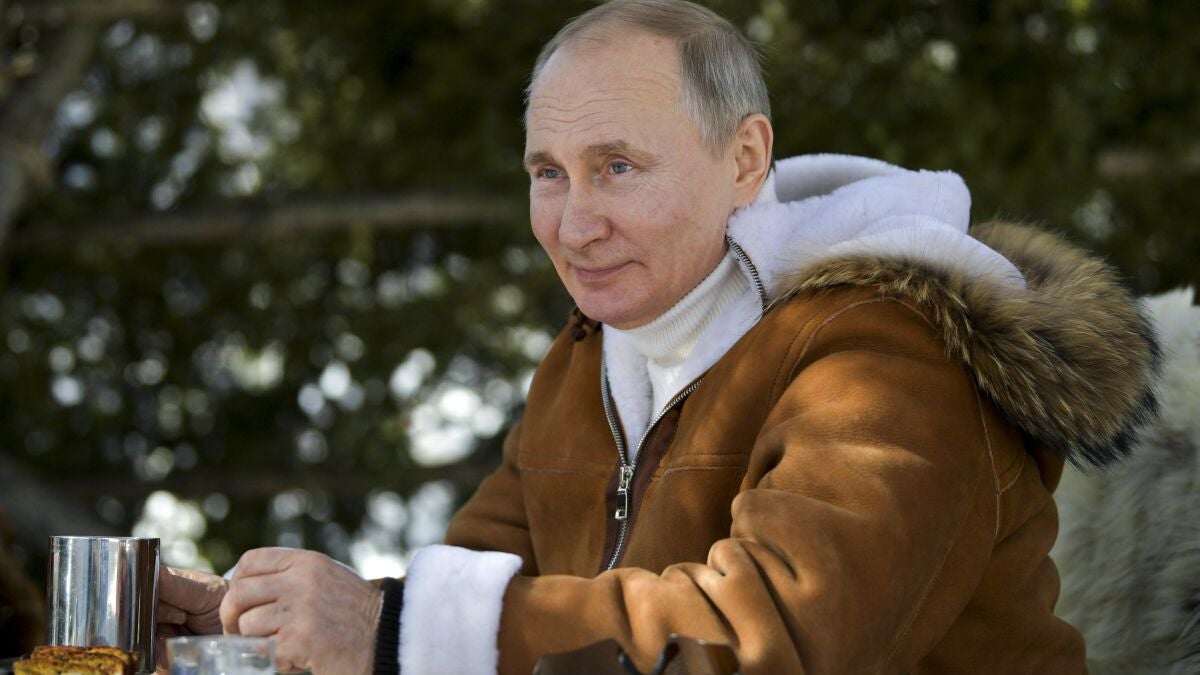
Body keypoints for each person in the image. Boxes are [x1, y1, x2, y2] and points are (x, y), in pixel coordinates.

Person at [158, 1, 1161, 673]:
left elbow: (771, 641)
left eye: (617, 167)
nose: (573, 223)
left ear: (745, 159)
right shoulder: (585, 363)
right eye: (548, 173)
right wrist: (260, 629)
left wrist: (384, 634)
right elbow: (468, 600)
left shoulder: (889, 352)